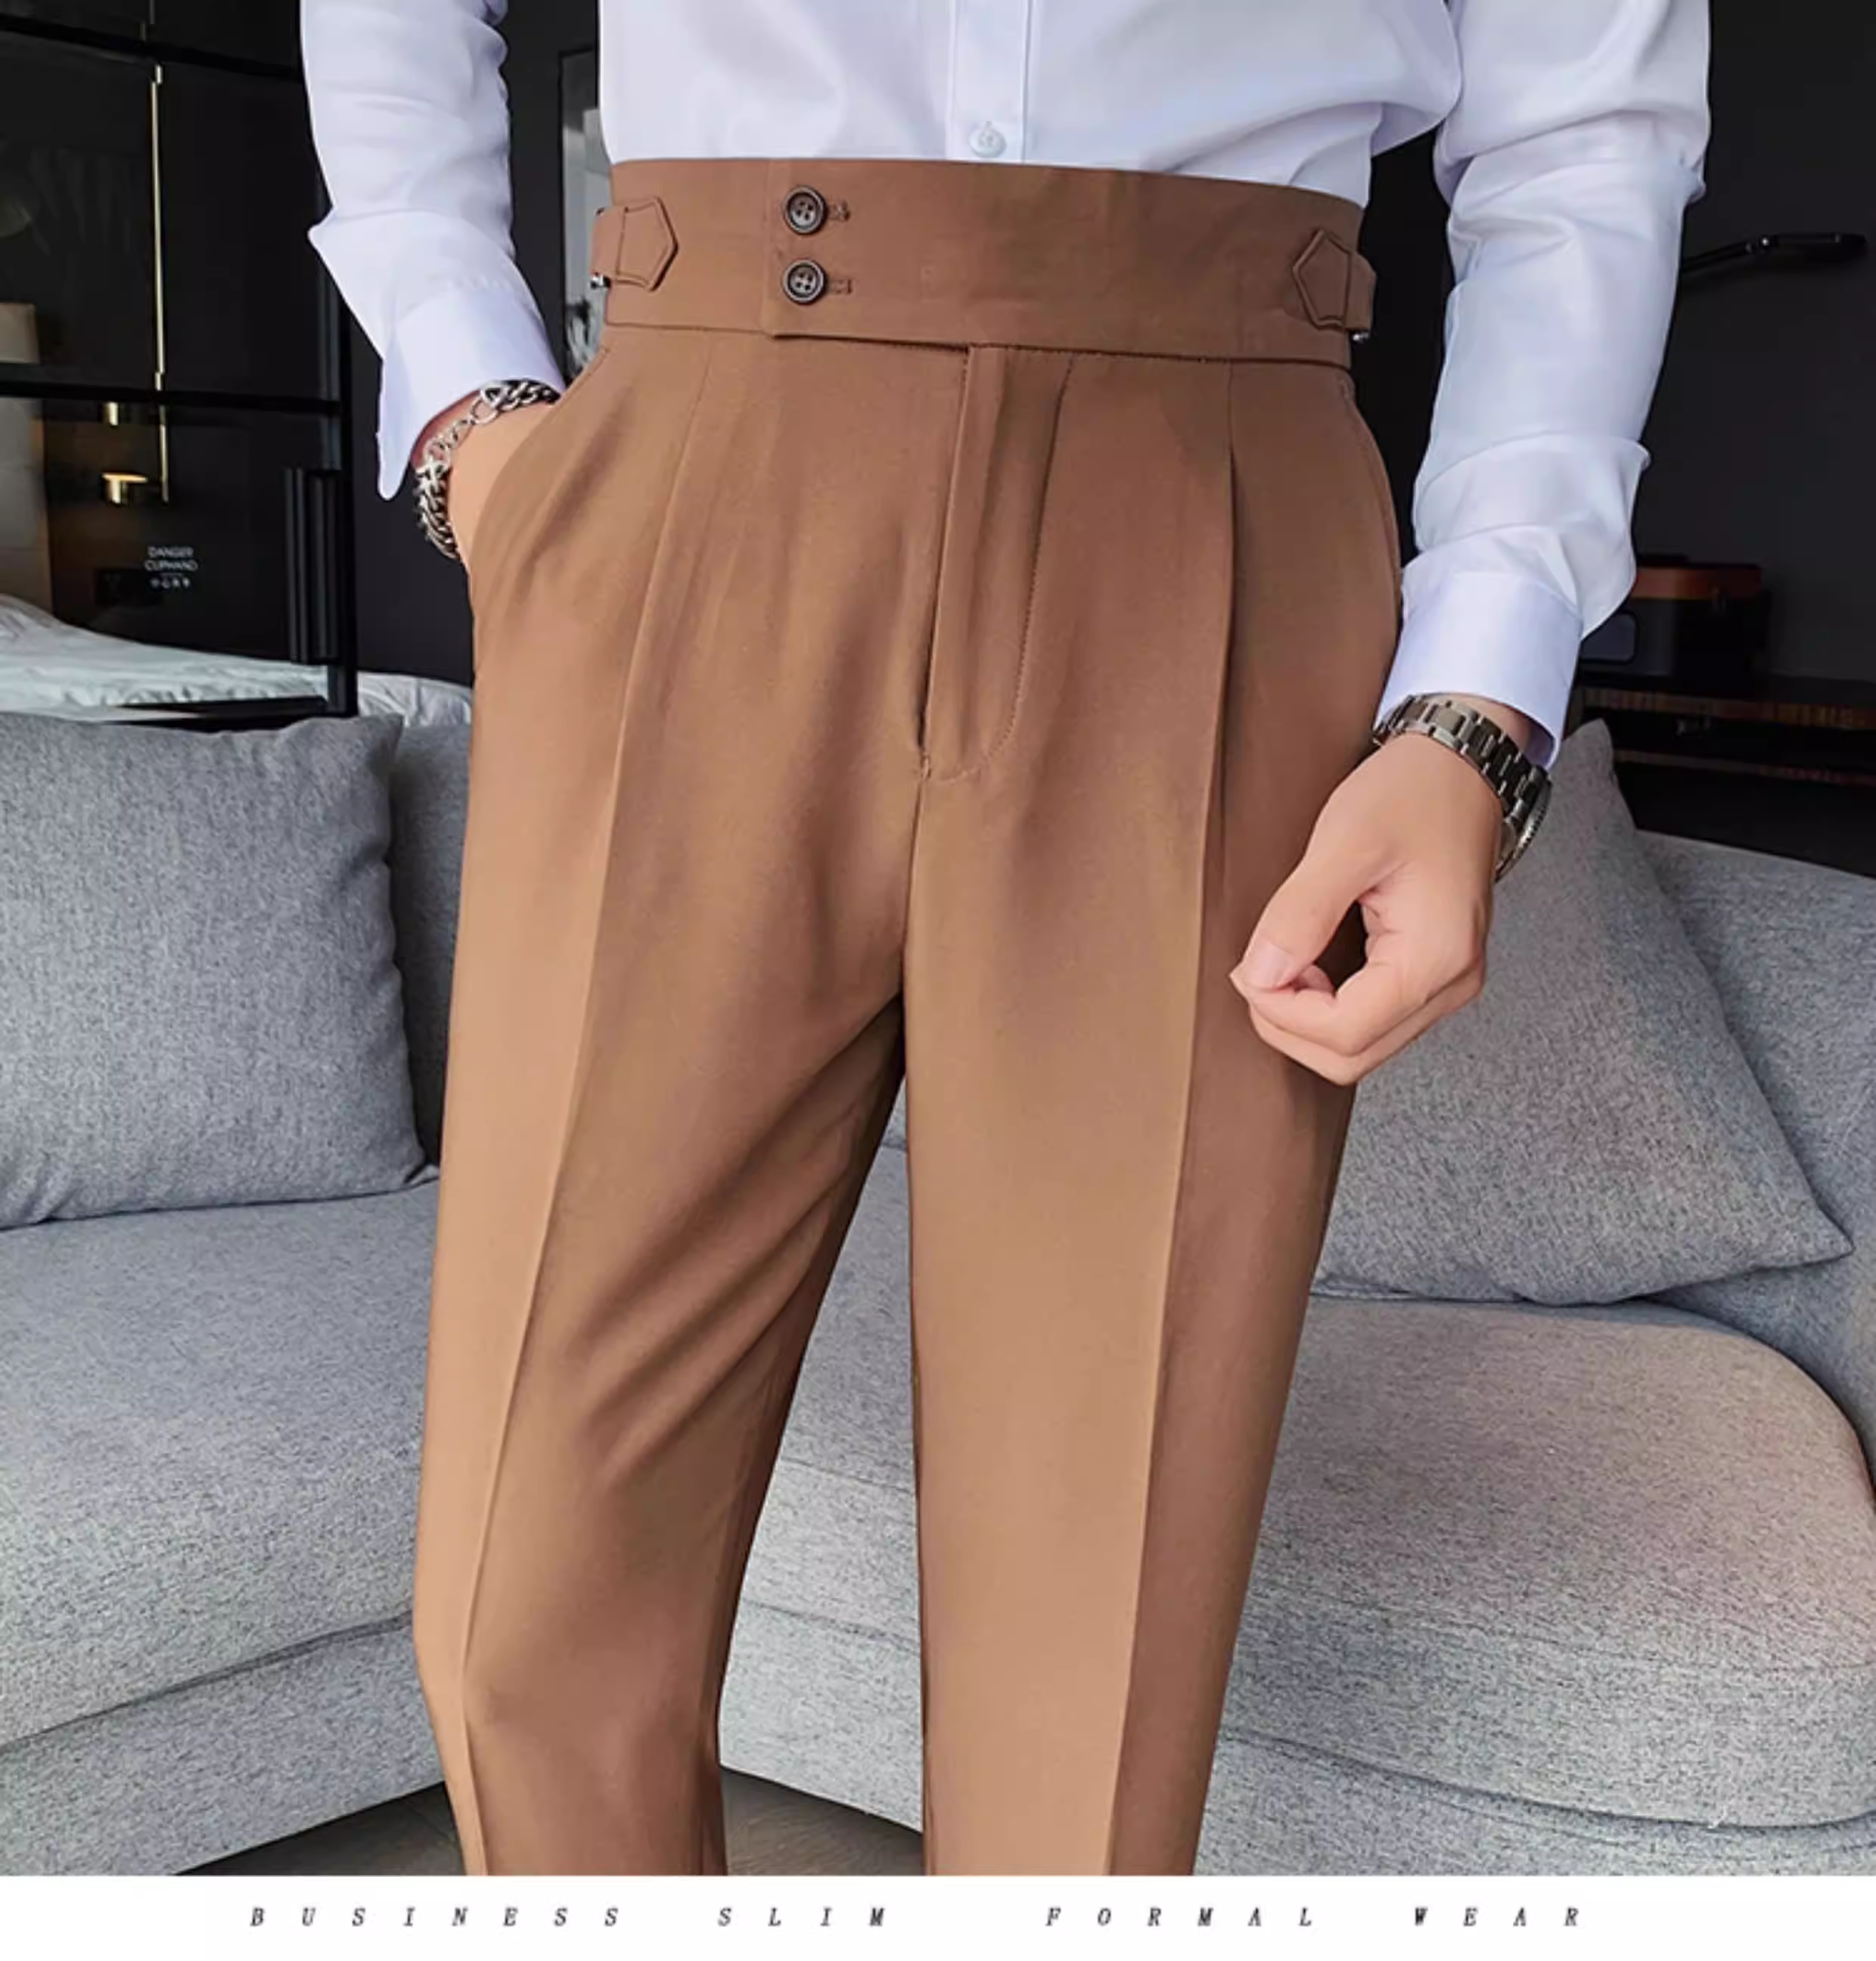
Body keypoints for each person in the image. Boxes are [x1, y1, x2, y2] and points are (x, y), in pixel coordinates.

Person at [300, 0, 1710, 1878]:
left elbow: (1582, 126)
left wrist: (1480, 701)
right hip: (698, 466)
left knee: (1089, 1680)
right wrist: (466, 399)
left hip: (1210, 485)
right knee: (525, 1614)